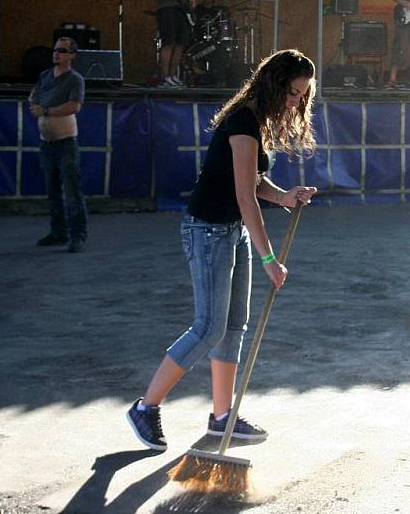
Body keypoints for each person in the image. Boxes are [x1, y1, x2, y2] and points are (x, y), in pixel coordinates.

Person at [127, 49, 318, 451]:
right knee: (209, 327)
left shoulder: (256, 122)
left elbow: (255, 184)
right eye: (293, 93)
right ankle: (145, 407)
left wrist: (286, 197)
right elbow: (245, 197)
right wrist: (269, 260)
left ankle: (221, 416)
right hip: (208, 230)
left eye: (302, 96)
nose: (296, 103)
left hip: (230, 231)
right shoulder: (243, 121)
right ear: (275, 83)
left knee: (233, 327)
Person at [29, 37, 88, 254]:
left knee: (72, 192)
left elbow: (74, 106)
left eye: (62, 51)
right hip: (47, 142)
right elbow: (34, 97)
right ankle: (58, 232)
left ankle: (78, 236)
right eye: (56, 50)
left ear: (72, 55)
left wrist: (46, 110)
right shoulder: (45, 76)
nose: (57, 54)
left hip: (65, 142)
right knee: (52, 192)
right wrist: (39, 106)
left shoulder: (75, 79)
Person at [189, 0, 231, 87]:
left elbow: (223, 28)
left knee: (221, 52)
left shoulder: (217, 12)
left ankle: (220, 82)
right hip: (198, 42)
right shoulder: (197, 9)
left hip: (214, 42)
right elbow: (192, 22)